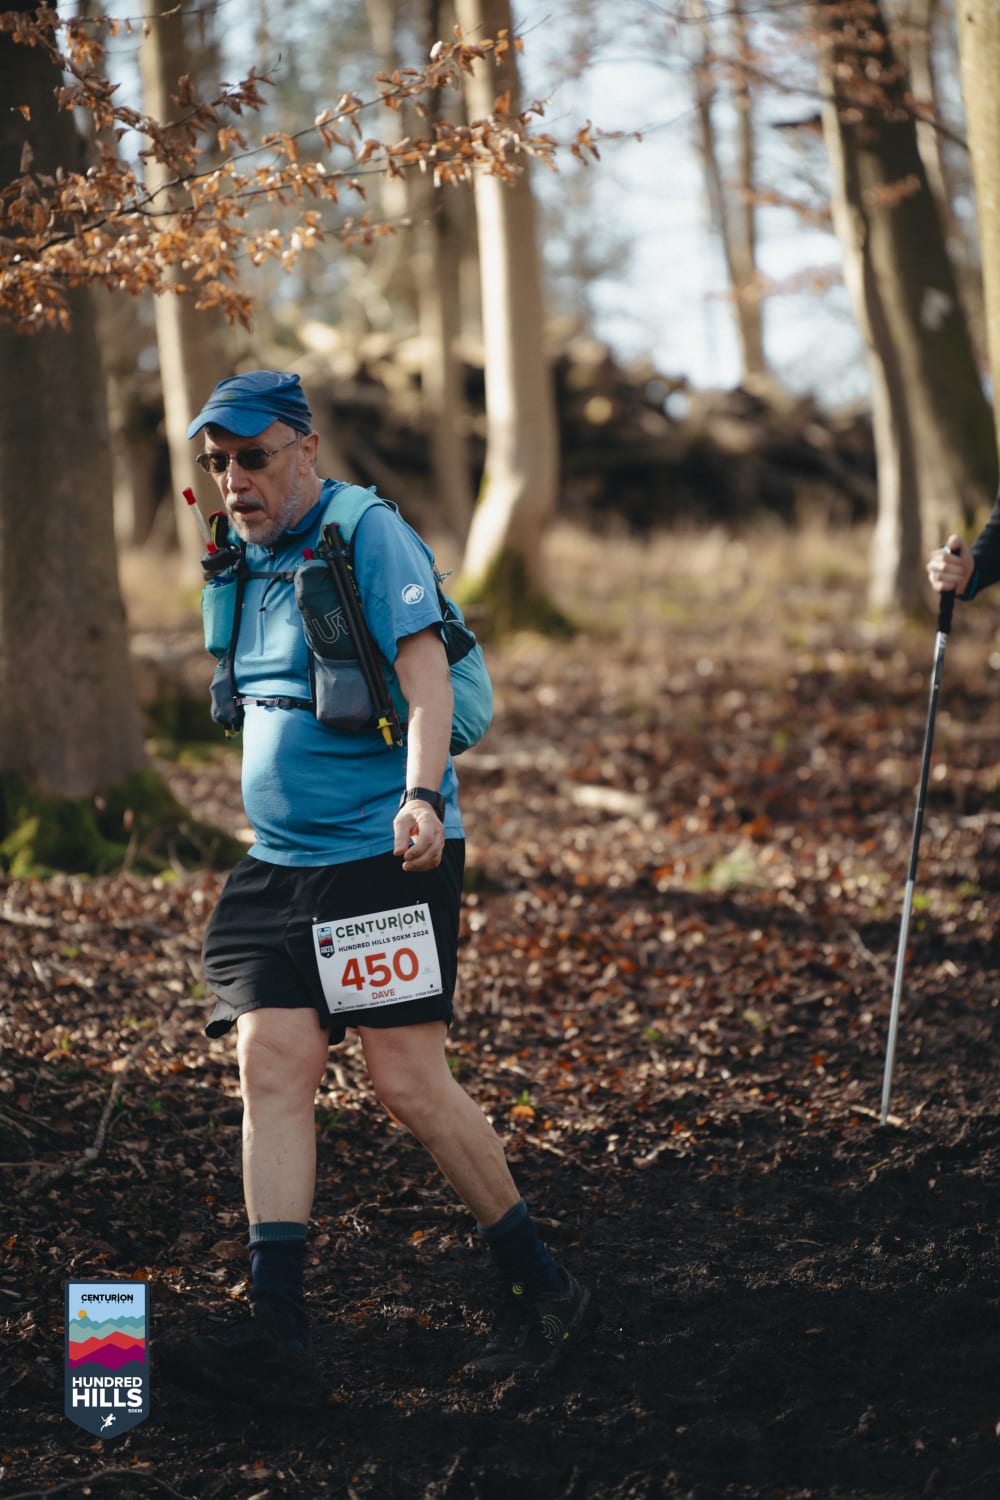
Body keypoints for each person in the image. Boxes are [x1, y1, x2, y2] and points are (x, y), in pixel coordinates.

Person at [160, 371, 588, 1406]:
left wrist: (422, 798)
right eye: (218, 464)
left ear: (305, 449)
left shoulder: (367, 533)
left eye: (253, 458)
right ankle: (277, 1332)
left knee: (404, 1077)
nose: (234, 480)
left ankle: (543, 1288)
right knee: (270, 1060)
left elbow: (427, 677)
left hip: (379, 852)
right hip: (278, 862)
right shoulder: (243, 549)